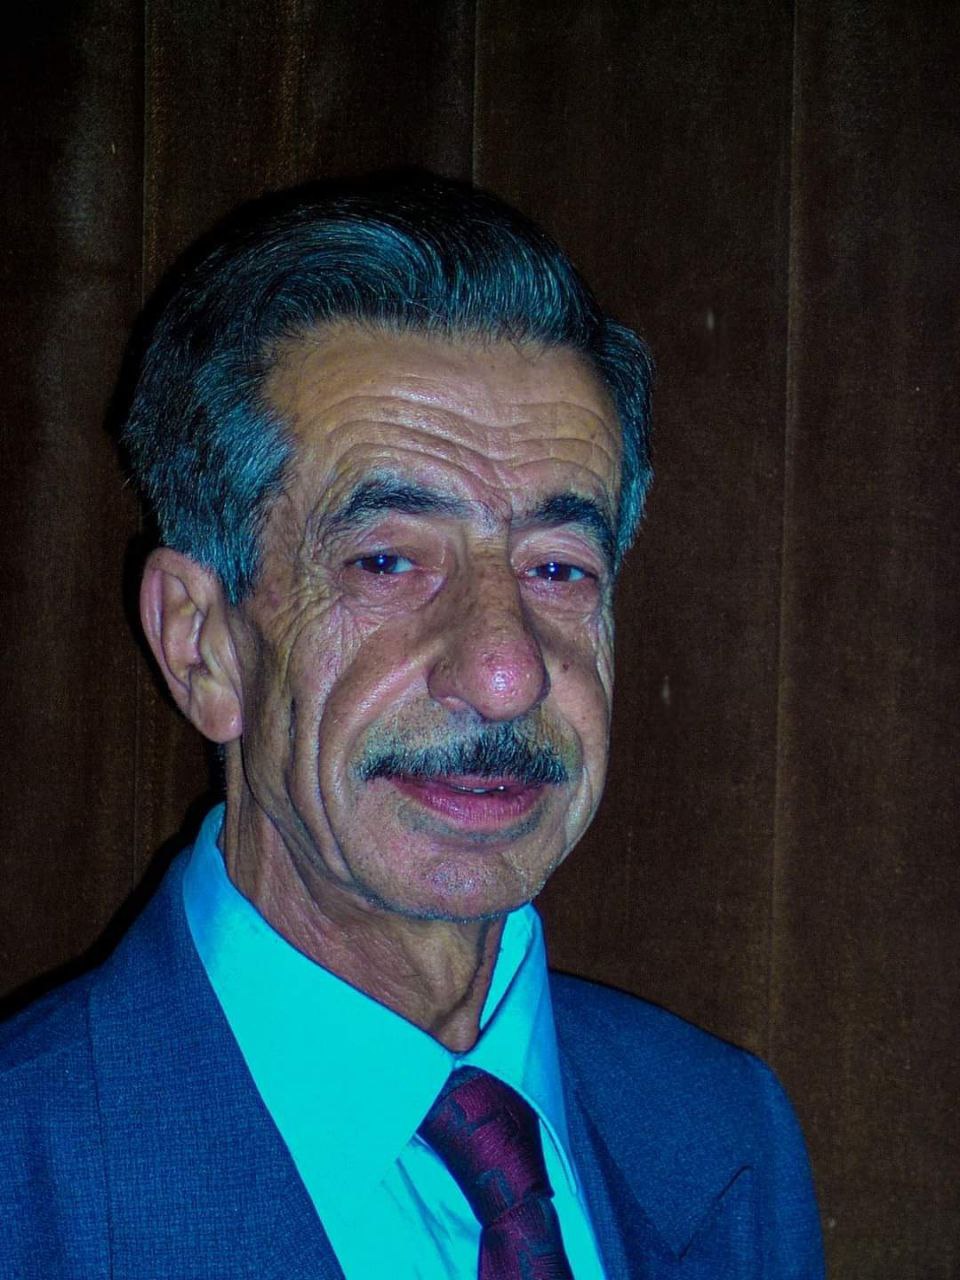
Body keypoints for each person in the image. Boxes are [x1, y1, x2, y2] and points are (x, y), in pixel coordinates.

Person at [0, 174, 823, 1278]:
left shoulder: (724, 1130)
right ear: (202, 645)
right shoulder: (26, 1186)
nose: (505, 672)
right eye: (387, 561)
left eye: (558, 568)